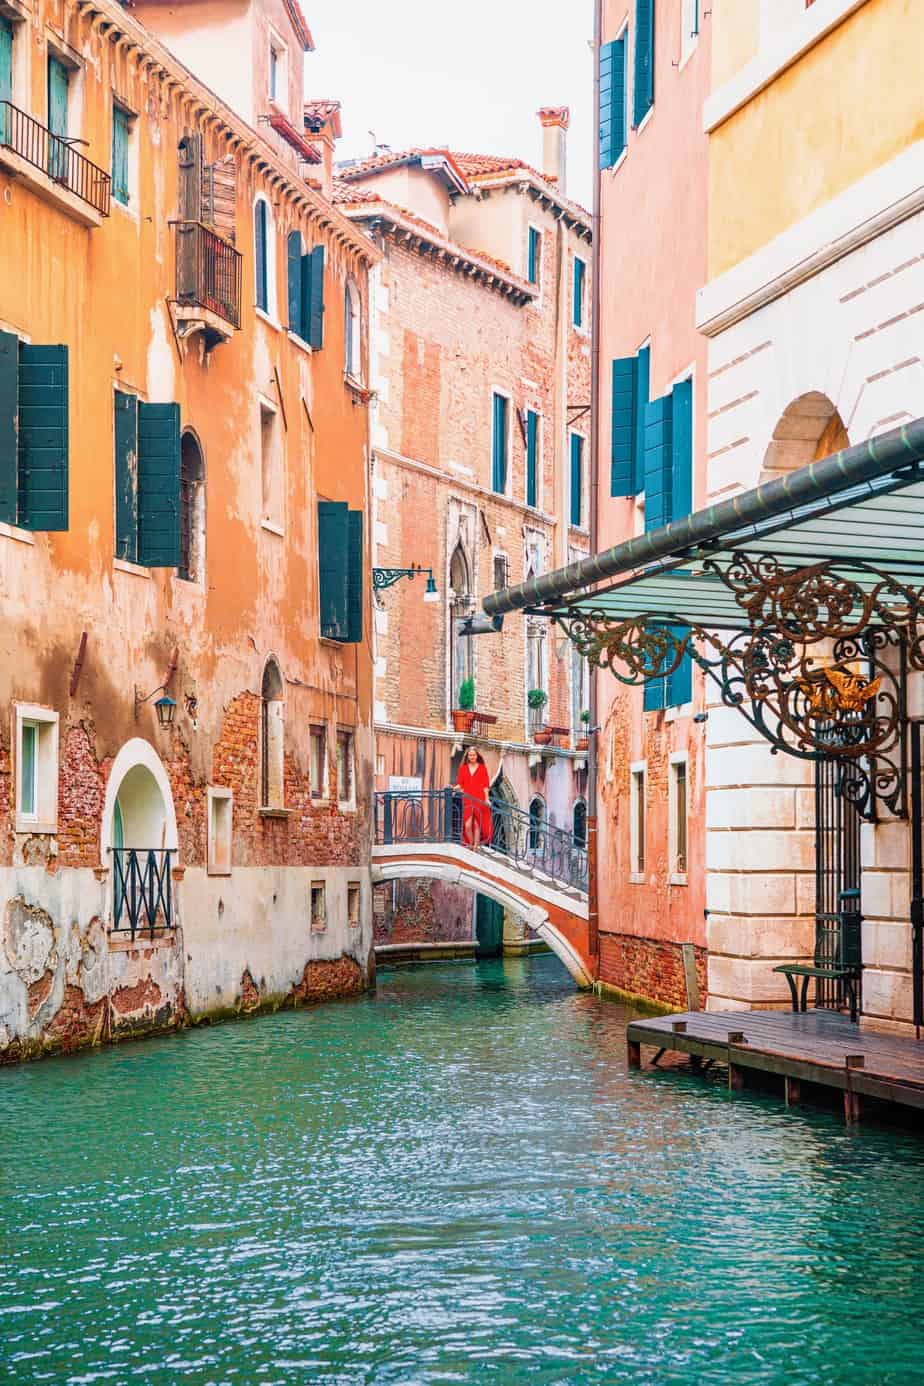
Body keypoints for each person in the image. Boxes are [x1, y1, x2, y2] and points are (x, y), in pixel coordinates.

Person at [455, 746, 493, 849]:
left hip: (479, 797)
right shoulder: (463, 769)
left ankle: (475, 846)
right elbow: (460, 784)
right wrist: (453, 788)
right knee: (467, 825)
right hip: (467, 798)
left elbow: (486, 785)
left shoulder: (482, 768)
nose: (472, 757)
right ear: (467, 756)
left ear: (477, 756)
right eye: (470, 755)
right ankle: (472, 844)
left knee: (476, 825)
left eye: (474, 755)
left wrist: (487, 798)